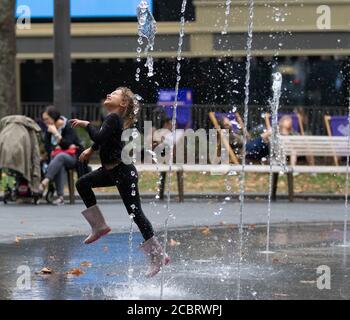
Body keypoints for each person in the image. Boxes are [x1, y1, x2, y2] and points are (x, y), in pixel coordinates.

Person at [70, 87, 170, 278]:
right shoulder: (113, 120)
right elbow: (103, 140)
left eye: (114, 94)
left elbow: (99, 136)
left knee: (136, 213)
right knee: (82, 183)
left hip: (123, 172)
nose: (109, 94)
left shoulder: (113, 118)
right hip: (111, 172)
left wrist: (86, 124)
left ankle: (159, 256)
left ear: (123, 103)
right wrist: (92, 150)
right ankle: (99, 226)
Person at [39, 106, 83, 205]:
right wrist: (57, 147)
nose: (45, 122)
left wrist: (56, 134)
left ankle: (45, 181)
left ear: (54, 117)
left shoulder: (67, 126)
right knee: (59, 161)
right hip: (56, 159)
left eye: (47, 119)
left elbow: (69, 143)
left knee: (60, 156)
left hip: (73, 157)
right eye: (44, 119)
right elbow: (47, 147)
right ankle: (60, 197)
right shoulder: (49, 128)